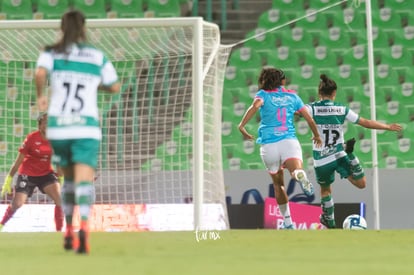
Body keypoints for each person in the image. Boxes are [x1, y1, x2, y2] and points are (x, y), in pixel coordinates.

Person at [35, 10, 120, 254]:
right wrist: (95, 85)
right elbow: (114, 86)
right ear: (84, 28)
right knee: (84, 180)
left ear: (62, 28)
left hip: (60, 127)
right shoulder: (96, 56)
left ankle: (69, 231)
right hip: (86, 127)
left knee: (68, 180)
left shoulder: (51, 52)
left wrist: (41, 97)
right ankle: (83, 227)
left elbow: (40, 73)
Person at [305, 74, 402, 229]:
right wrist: (387, 126)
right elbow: (365, 122)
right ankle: (350, 154)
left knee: (325, 190)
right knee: (361, 183)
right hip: (339, 153)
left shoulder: (311, 108)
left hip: (321, 159)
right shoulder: (341, 109)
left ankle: (329, 222)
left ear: (319, 93)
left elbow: (296, 111)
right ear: (334, 93)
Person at [238, 67, 322, 229]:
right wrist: (316, 135)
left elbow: (255, 106)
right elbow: (309, 119)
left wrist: (242, 125)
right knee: (295, 170)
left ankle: (288, 223)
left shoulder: (263, 95)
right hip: (288, 141)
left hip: (269, 145)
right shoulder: (292, 96)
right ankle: (300, 175)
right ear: (282, 81)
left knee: (278, 185)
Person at [0, 113, 64, 232]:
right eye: (45, 123)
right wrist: (8, 180)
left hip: (46, 174)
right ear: (40, 126)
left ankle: (59, 232)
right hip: (27, 174)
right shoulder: (31, 138)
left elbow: (58, 161)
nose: (48, 125)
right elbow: (18, 161)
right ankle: (1, 225)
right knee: (17, 204)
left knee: (59, 200)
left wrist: (61, 179)